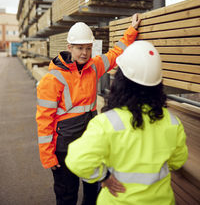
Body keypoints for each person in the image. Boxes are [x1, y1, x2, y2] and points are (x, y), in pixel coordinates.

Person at [65, 40, 188, 205]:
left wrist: (104, 177)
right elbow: (177, 161)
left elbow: (77, 159)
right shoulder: (173, 123)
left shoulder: (107, 123)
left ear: (121, 81)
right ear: (158, 84)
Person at [36, 13, 141, 205]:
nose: (84, 53)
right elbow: (44, 120)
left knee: (92, 192)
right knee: (67, 195)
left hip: (90, 140)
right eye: (79, 48)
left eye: (88, 48)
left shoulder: (94, 67)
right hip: (63, 148)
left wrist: (132, 31)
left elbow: (117, 53)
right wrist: (48, 156)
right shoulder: (52, 79)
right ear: (69, 48)